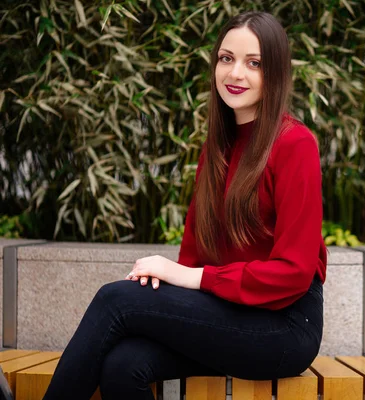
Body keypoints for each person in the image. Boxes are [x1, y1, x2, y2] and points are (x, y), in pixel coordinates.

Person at [39, 11, 327, 400]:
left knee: (116, 299)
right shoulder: (217, 147)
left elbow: (294, 272)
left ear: (275, 72)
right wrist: (174, 285)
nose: (235, 73)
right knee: (122, 364)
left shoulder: (295, 144)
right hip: (228, 314)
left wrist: (192, 279)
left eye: (253, 63)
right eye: (226, 59)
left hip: (285, 327)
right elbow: (195, 252)